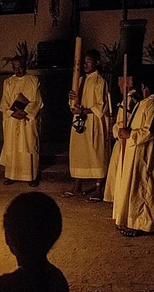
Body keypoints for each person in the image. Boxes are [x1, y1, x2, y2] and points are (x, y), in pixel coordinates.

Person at [111, 72, 154, 237]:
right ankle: (130, 220)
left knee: (144, 188)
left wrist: (131, 134)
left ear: (146, 87)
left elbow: (151, 131)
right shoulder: (143, 104)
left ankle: (142, 224)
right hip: (135, 152)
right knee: (134, 187)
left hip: (147, 153)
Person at [63, 49, 111, 202]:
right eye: (83, 61)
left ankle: (98, 188)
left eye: (89, 61)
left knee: (95, 152)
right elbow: (73, 104)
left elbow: (101, 106)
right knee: (78, 152)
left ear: (97, 63)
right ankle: (77, 186)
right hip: (79, 121)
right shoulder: (80, 79)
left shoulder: (100, 81)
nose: (85, 64)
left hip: (93, 123)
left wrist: (84, 110)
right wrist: (72, 100)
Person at [0, 55, 43, 187]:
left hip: (27, 119)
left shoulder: (33, 80)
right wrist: (13, 113)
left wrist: (25, 112)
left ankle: (32, 176)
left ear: (25, 66)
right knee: (12, 146)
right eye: (15, 68)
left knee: (29, 145)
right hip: (12, 120)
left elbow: (37, 100)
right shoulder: (8, 83)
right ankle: (12, 175)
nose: (17, 70)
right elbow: (4, 102)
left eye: (20, 67)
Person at [103, 81, 141, 204]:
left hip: (125, 142)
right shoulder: (127, 99)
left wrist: (116, 129)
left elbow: (125, 122)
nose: (120, 85)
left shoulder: (130, 99)